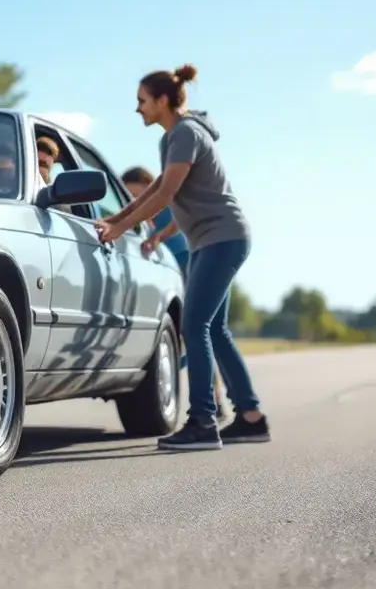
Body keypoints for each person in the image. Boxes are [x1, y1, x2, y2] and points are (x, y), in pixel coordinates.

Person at [93, 64, 269, 451]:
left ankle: (204, 421)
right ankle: (252, 416)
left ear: (161, 101)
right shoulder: (172, 138)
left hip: (222, 239)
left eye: (142, 101)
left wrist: (121, 229)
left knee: (194, 326)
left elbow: (166, 194)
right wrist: (118, 217)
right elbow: (160, 187)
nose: (137, 109)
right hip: (214, 239)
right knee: (216, 331)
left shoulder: (186, 133)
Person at [122, 165, 231, 425]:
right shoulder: (135, 213)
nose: (137, 201)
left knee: (197, 332)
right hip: (154, 276)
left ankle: (214, 400)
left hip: (186, 266)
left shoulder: (170, 210)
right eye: (131, 197)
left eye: (141, 195)